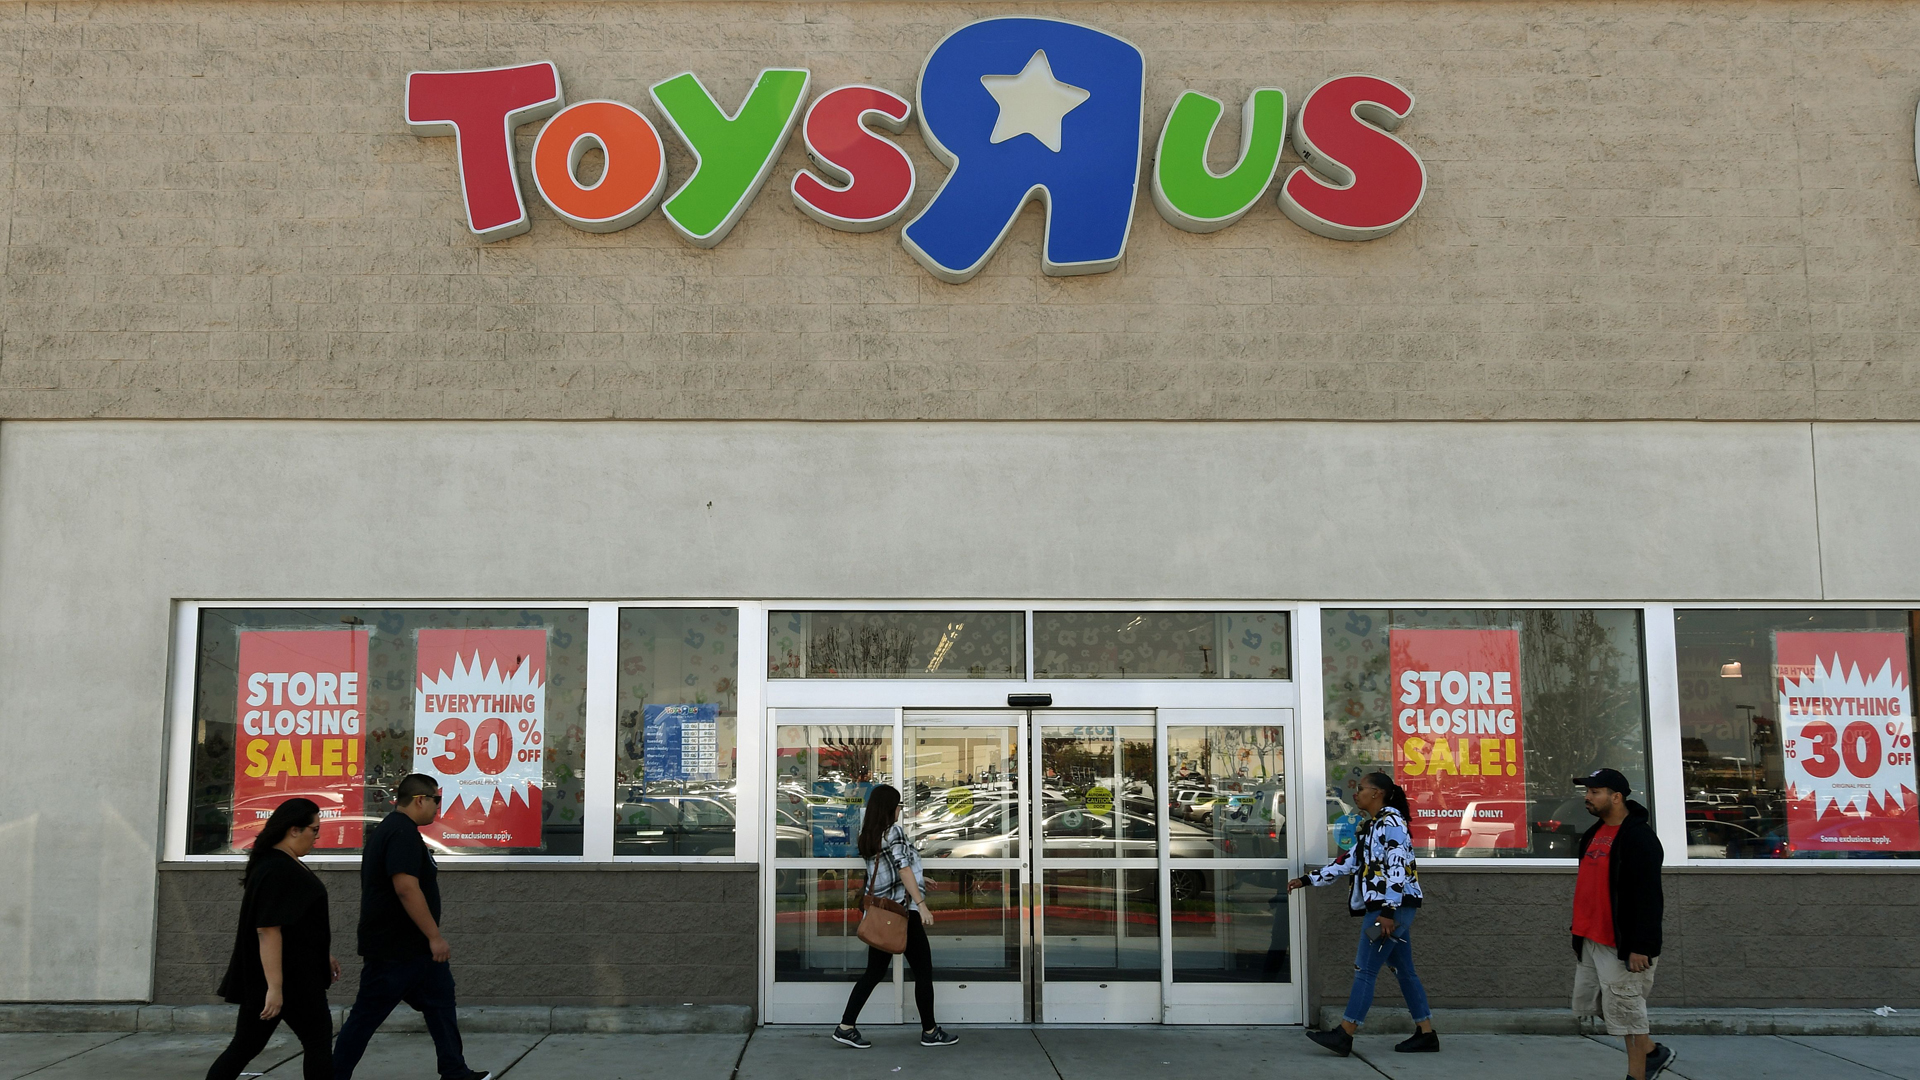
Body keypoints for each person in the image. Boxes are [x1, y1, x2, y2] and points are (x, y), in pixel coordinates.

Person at [332, 775, 491, 1080]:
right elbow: (406, 887)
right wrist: (435, 936)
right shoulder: (401, 832)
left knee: (441, 1002)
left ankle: (454, 1070)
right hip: (395, 949)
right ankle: (334, 1074)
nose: (437, 808)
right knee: (366, 1016)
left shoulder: (398, 831)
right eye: (436, 800)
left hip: (415, 951)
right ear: (420, 799)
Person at [1289, 771, 1437, 1056]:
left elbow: (1396, 866)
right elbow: (1347, 862)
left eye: (1361, 788)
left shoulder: (1391, 823)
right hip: (1393, 912)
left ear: (1377, 793)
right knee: (1405, 971)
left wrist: (1387, 912)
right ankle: (1426, 1033)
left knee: (1365, 968)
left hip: (1388, 913)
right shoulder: (1374, 826)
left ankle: (1345, 1033)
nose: (1356, 794)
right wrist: (1308, 880)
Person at [207, 797, 339, 1080]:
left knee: (248, 1045)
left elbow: (296, 921)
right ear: (294, 829)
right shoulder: (277, 868)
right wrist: (274, 989)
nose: (317, 836)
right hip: (286, 980)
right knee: (312, 1042)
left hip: (291, 975)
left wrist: (321, 953)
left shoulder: (282, 862)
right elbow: (267, 930)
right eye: (314, 830)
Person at [831, 783, 958, 1049]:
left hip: (881, 912)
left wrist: (924, 879)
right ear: (890, 808)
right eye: (899, 805)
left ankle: (846, 1026)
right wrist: (921, 904)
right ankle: (930, 1031)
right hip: (901, 913)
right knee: (923, 971)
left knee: (874, 972)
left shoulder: (869, 834)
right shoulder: (894, 832)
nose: (900, 809)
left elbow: (892, 868)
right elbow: (902, 870)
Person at [1570, 769, 1675, 1080]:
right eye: (1587, 791)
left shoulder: (1639, 838)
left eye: (1595, 791)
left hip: (1622, 944)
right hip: (1592, 938)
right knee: (1608, 1008)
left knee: (1628, 1016)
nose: (1587, 797)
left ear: (1617, 797)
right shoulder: (1594, 833)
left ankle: (1637, 1075)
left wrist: (1641, 946)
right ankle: (1654, 1053)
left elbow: (1649, 898)